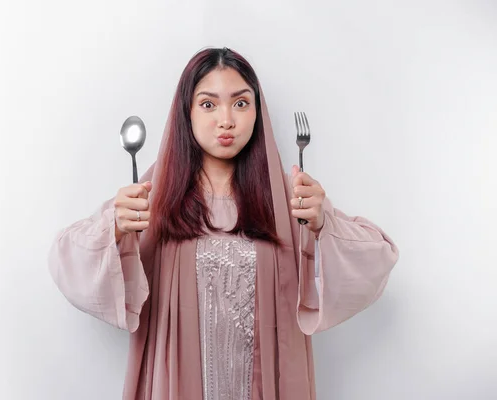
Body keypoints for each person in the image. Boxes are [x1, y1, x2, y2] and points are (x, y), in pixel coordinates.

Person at [48, 47, 399, 400]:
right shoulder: (153, 194)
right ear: (186, 112)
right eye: (208, 104)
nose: (226, 120)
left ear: (258, 113)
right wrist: (116, 228)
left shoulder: (287, 196)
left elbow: (376, 258)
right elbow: (67, 258)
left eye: (241, 103)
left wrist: (323, 225)